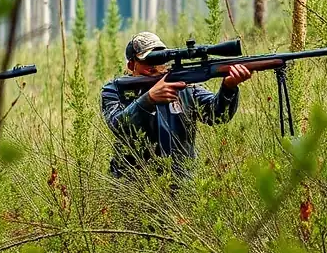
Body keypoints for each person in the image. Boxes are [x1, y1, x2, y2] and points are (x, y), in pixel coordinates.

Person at [101, 31, 253, 179]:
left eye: (160, 60)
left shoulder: (184, 86)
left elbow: (216, 115)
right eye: (148, 61)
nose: (155, 66)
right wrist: (148, 100)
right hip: (132, 183)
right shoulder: (114, 90)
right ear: (131, 64)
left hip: (180, 183)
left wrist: (229, 87)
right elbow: (117, 126)